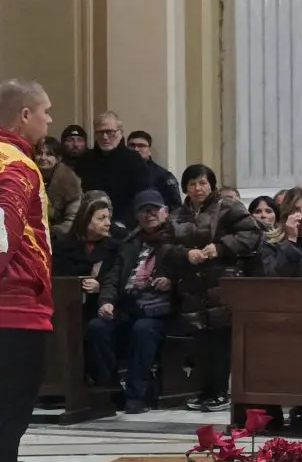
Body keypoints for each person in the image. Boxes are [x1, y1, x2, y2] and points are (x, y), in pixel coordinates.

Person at [0, 80, 62, 462]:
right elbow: (3, 235)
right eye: (44, 112)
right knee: (7, 420)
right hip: (14, 313)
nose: (49, 121)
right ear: (23, 115)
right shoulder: (16, 165)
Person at [169, 164, 261, 411]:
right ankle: (204, 391)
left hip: (222, 283)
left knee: (220, 341)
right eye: (192, 184)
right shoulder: (178, 214)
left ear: (212, 185)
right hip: (192, 286)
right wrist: (185, 254)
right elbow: (166, 247)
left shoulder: (228, 206)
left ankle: (220, 392)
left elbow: (251, 233)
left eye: (202, 183)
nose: (198, 188)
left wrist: (220, 248)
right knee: (200, 342)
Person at [85, 192, 175, 414]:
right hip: (129, 307)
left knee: (143, 329)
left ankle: (138, 395)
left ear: (165, 212)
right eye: (144, 210)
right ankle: (111, 391)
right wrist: (106, 301)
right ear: (136, 215)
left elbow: (189, 276)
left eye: (154, 209)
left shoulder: (177, 240)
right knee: (97, 327)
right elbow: (112, 279)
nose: (149, 214)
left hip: (162, 312)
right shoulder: (129, 243)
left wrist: (171, 282)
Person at [72, 113, 150, 226]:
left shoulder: (134, 161)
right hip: (90, 224)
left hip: (124, 225)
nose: (104, 137)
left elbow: (140, 196)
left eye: (110, 132)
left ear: (120, 132)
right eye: (100, 132)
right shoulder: (85, 160)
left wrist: (123, 222)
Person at [51, 192, 121, 319]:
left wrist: (99, 286)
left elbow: (117, 281)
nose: (108, 223)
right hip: (67, 308)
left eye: (108, 218)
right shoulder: (62, 248)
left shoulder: (115, 249)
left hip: (99, 309)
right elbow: (57, 279)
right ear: (86, 220)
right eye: (101, 218)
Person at [34, 137, 81, 237]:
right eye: (39, 153)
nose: (43, 158)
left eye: (49, 154)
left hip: (60, 235)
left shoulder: (70, 181)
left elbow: (73, 219)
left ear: (58, 158)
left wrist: (52, 234)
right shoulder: (27, 175)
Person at [125, 131, 183, 209]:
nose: (136, 149)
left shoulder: (163, 175)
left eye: (141, 146)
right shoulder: (118, 171)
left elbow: (176, 207)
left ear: (149, 150)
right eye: (132, 145)